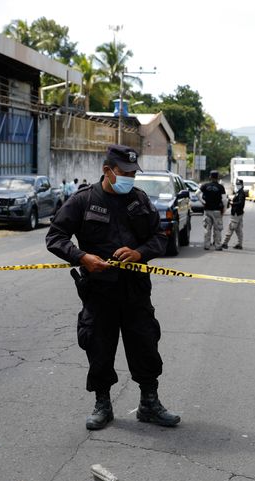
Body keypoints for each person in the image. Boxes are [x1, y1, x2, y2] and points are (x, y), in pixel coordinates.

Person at [46, 144, 181, 430]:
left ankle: (149, 403)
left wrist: (139, 253)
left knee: (145, 344)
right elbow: (55, 237)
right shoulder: (82, 201)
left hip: (135, 290)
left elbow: (160, 236)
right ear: (107, 170)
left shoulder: (140, 200)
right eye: (125, 172)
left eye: (134, 172)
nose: (130, 177)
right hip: (99, 292)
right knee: (99, 347)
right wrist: (82, 257)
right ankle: (102, 404)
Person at [200, 170, 226, 250]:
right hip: (217, 211)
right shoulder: (220, 187)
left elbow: (196, 193)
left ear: (210, 177)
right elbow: (224, 200)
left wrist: (203, 202)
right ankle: (217, 246)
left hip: (207, 210)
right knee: (217, 229)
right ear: (218, 178)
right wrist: (224, 210)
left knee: (207, 229)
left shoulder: (205, 186)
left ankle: (206, 245)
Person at [222, 179, 246, 250]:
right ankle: (240, 244)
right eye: (237, 184)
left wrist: (233, 203)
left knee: (231, 228)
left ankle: (225, 243)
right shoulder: (238, 192)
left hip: (236, 213)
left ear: (242, 185)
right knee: (238, 229)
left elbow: (240, 203)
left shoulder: (241, 193)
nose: (237, 186)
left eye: (239, 185)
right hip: (239, 213)